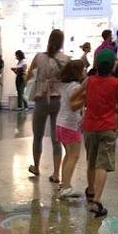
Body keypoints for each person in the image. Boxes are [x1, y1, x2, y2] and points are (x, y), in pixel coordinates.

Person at [76, 49, 118, 218]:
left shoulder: (89, 80)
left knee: (91, 160)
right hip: (108, 127)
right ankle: (96, 202)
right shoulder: (117, 83)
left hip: (90, 127)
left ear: (96, 64)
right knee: (102, 164)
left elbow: (76, 96)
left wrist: (82, 104)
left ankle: (90, 191)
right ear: (112, 65)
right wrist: (116, 126)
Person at [26, 29, 69, 182]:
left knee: (37, 136)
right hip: (58, 100)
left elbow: (28, 75)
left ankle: (36, 167)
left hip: (41, 99)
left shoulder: (39, 57)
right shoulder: (65, 59)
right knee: (56, 138)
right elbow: (69, 79)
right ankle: (56, 173)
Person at [56, 59, 86, 198]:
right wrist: (86, 98)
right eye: (83, 69)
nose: (85, 71)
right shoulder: (75, 87)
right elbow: (73, 106)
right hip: (70, 125)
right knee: (74, 155)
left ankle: (64, 184)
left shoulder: (65, 85)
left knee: (68, 155)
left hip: (61, 123)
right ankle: (66, 186)